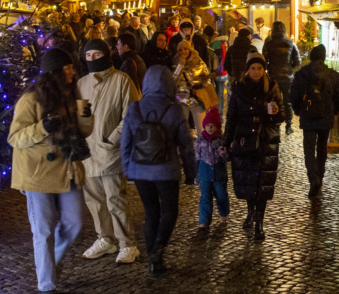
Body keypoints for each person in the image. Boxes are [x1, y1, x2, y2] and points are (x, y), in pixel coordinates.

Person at [8, 48, 94, 294]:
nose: (73, 72)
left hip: (67, 169)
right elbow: (15, 137)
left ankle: (50, 264)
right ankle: (46, 284)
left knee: (74, 222)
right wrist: (43, 127)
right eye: (67, 68)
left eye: (72, 67)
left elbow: (87, 129)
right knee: (43, 229)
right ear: (55, 71)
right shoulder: (31, 100)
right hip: (37, 174)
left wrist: (82, 104)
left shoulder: (75, 97)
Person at [120, 65, 197, 277]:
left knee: (151, 213)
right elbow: (186, 145)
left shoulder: (134, 108)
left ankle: (154, 262)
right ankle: (159, 249)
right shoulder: (174, 109)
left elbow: (125, 143)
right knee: (170, 211)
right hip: (166, 170)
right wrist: (191, 172)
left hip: (140, 171)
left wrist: (128, 169)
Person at [77, 39, 142, 265]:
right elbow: (82, 116)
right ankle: (105, 238)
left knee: (116, 198)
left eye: (97, 54)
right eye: (89, 55)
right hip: (89, 153)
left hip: (109, 152)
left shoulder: (121, 81)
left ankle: (127, 243)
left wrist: (112, 139)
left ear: (106, 54)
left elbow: (132, 115)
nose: (93, 59)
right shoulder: (83, 84)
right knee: (94, 201)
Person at [224, 52, 284, 241]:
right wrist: (226, 143)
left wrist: (274, 113)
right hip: (245, 142)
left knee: (263, 185)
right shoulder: (238, 89)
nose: (257, 72)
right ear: (247, 70)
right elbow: (231, 117)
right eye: (253, 68)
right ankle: (250, 211)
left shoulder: (272, 87)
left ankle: (259, 222)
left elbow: (282, 116)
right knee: (249, 183)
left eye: (259, 68)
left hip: (266, 141)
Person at [290, 44, 339, 199]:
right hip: (325, 117)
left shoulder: (302, 74)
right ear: (324, 57)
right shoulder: (332, 75)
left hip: (308, 117)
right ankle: (319, 178)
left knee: (309, 150)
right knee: (322, 149)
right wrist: (334, 112)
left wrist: (298, 110)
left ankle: (313, 179)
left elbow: (293, 95)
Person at [263, 21, 301, 136]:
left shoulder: (268, 44)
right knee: (287, 102)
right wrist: (289, 68)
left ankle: (276, 122)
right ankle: (289, 125)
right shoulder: (291, 44)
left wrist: (270, 67)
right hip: (287, 76)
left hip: (273, 76)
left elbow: (264, 61)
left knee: (273, 100)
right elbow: (297, 61)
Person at [195, 107, 230, 229]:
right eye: (208, 125)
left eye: (213, 125)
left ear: (217, 127)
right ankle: (204, 221)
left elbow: (227, 158)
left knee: (221, 195)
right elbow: (197, 157)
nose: (210, 127)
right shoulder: (200, 140)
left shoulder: (221, 140)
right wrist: (196, 174)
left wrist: (224, 153)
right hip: (204, 174)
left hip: (219, 175)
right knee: (205, 197)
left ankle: (224, 214)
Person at [171, 39, 215, 132]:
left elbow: (206, 78)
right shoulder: (175, 62)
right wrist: (180, 65)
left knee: (201, 128)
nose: (183, 51)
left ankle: (202, 146)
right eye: (180, 50)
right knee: (181, 128)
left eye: (185, 49)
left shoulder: (198, 61)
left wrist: (201, 85)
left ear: (190, 49)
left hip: (196, 98)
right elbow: (173, 81)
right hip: (181, 98)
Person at [207, 24, 231, 116]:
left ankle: (218, 113)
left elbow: (217, 59)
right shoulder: (222, 43)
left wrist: (215, 71)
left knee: (217, 94)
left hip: (218, 72)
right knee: (220, 93)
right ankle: (219, 113)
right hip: (223, 71)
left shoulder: (215, 43)